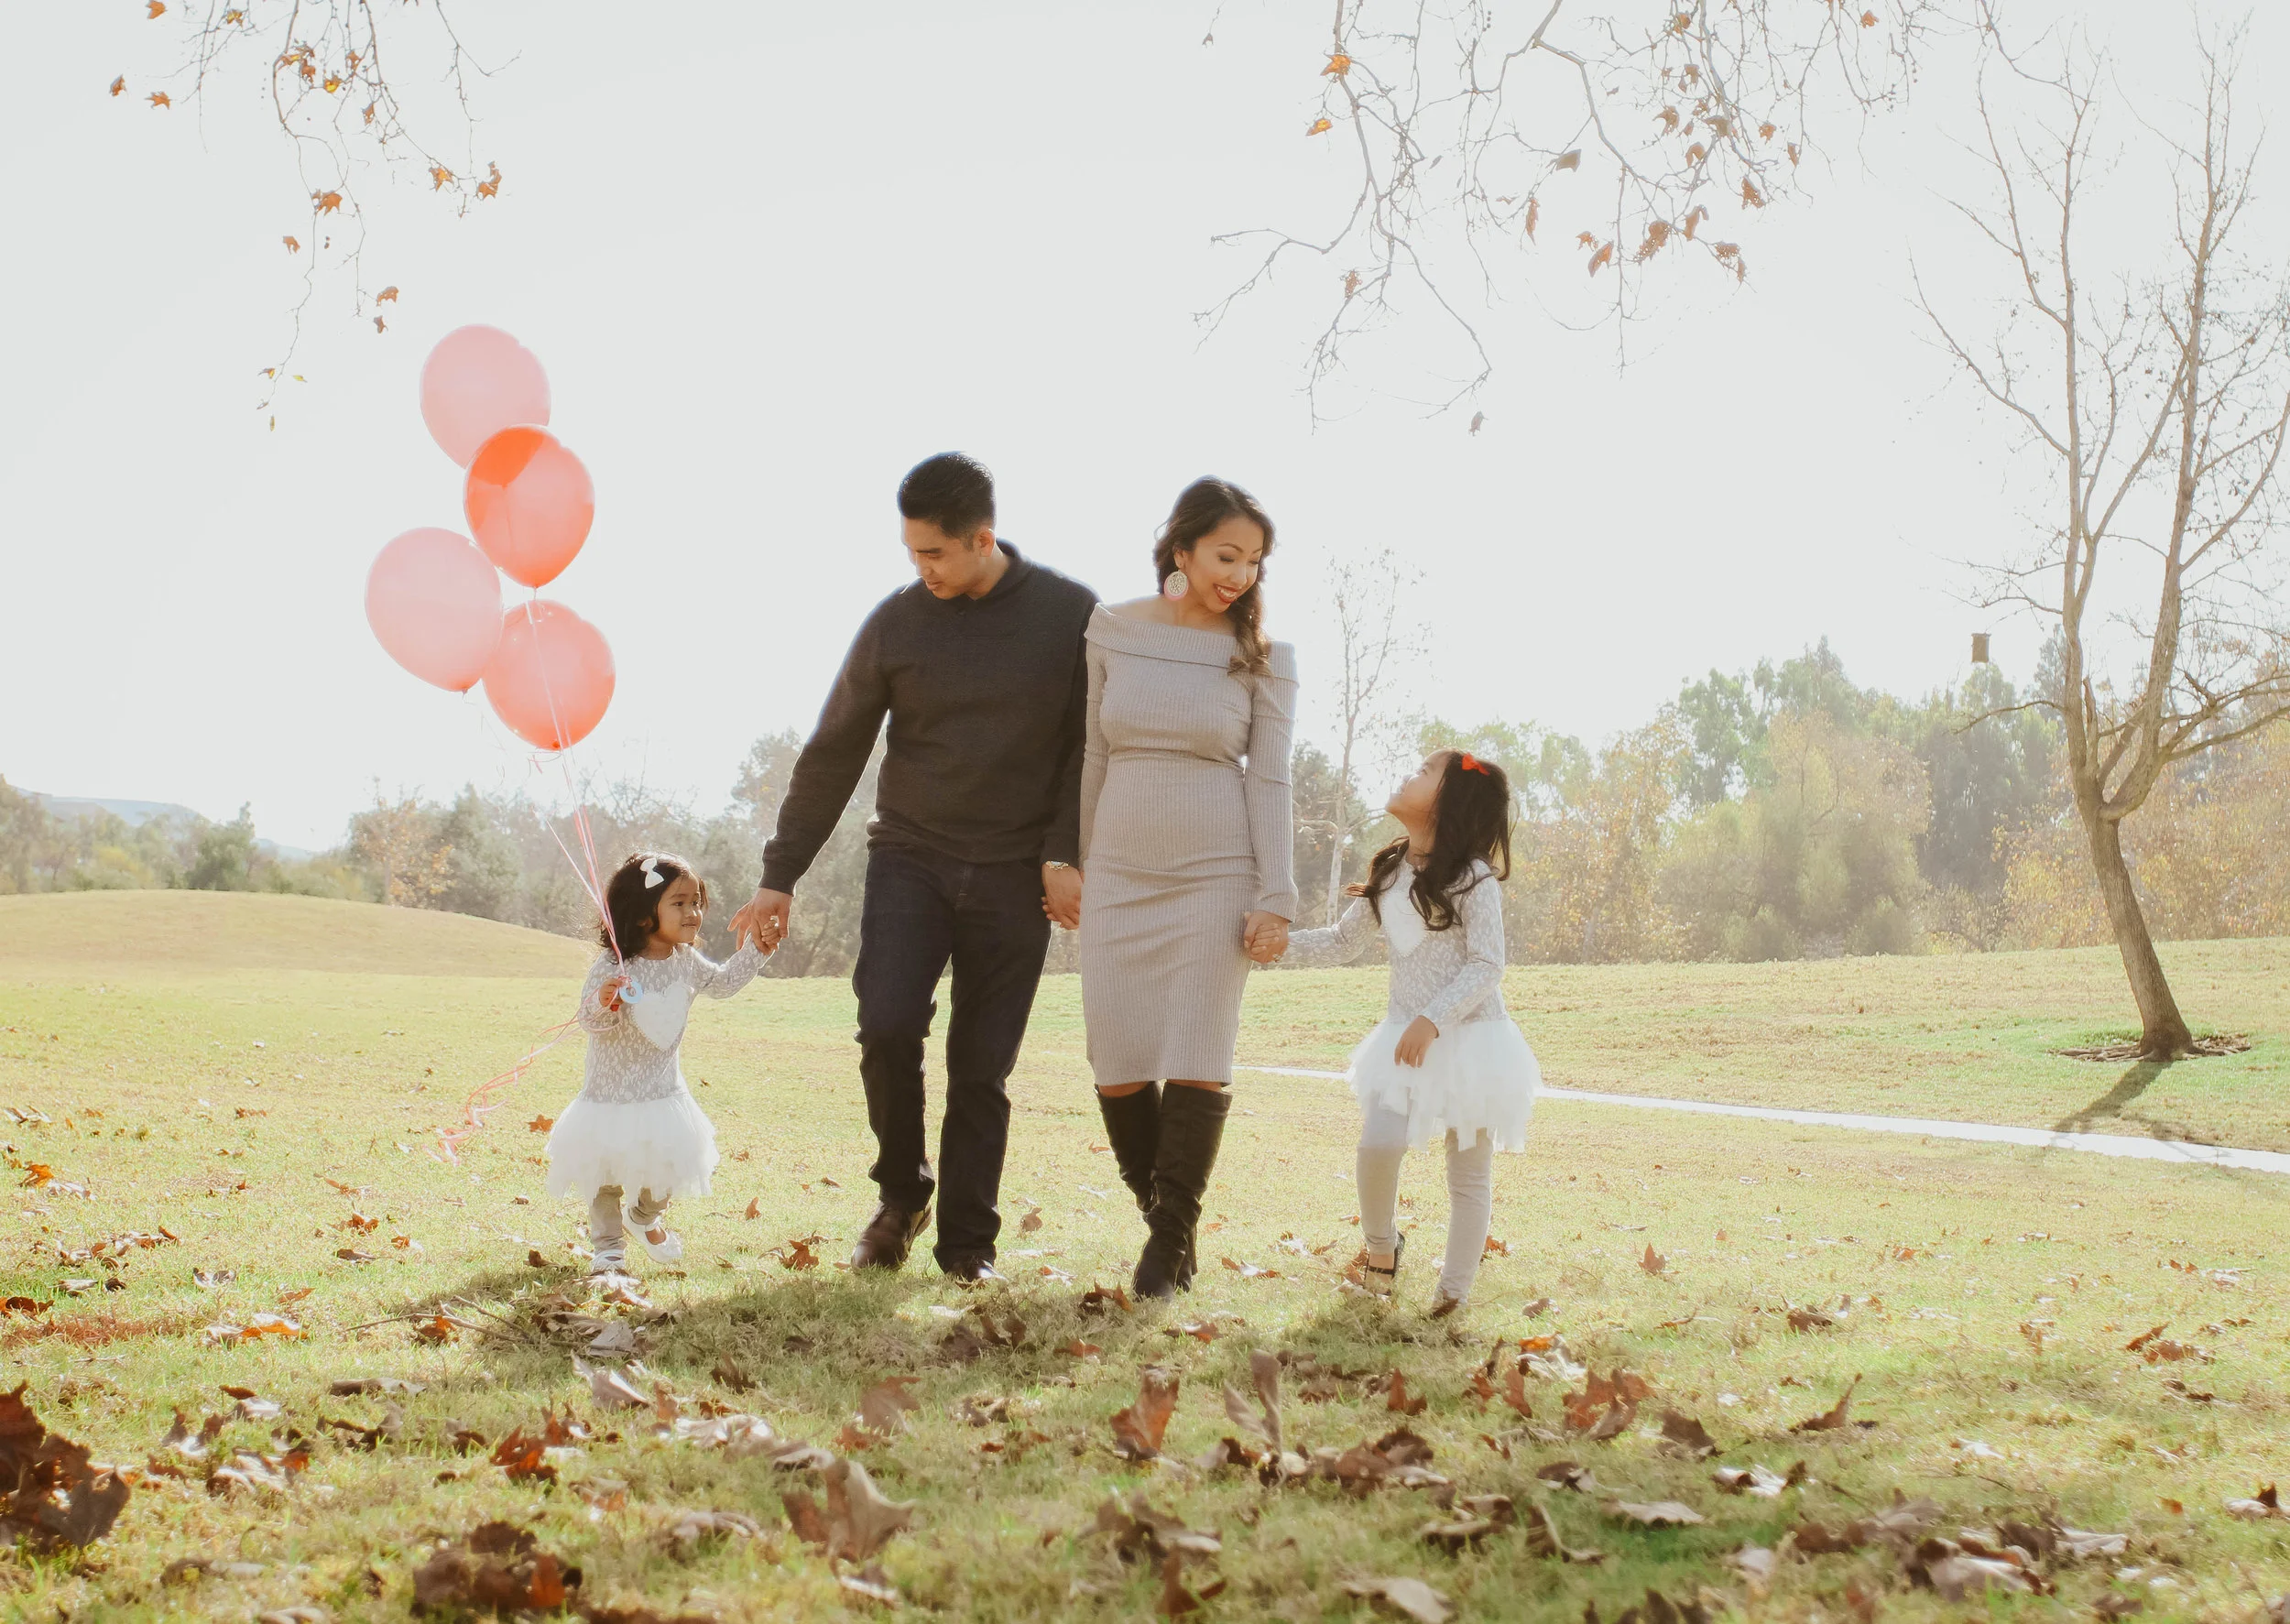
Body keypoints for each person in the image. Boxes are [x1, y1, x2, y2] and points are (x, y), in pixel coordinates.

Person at [729, 452, 1096, 1281]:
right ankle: (902, 1195)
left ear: (982, 539)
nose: (919, 569)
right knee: (887, 1022)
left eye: (933, 553)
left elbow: (1089, 746)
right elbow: (832, 753)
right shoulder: (897, 621)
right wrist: (778, 874)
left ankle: (968, 1245)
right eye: (910, 552)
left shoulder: (1071, 614)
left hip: (1014, 873)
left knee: (981, 1067)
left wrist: (1063, 851)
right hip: (911, 856)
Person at [1079, 476, 1297, 1300]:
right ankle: (1168, 1232)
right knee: (1118, 1061)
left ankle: (1164, 1249)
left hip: (1215, 873)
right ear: (1183, 550)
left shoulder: (1265, 661)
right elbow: (1092, 755)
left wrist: (1274, 894)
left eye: (1254, 562)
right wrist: (1073, 860)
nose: (1239, 575)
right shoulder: (1113, 630)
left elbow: (1270, 781)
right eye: (1226, 555)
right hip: (1119, 873)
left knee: (1199, 1056)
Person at [1281, 749, 1539, 1314]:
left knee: (1467, 1172)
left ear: (1448, 802)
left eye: (1425, 772)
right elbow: (1342, 943)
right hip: (1405, 1041)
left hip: (1472, 1040)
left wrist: (1433, 1019)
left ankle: (1452, 1293)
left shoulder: (1474, 879)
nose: (1407, 773)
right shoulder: (1392, 871)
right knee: (1379, 1144)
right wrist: (1281, 946)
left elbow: (1487, 963)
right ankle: (1382, 1249)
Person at [550, 852, 766, 1276]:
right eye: (680, 903)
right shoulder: (614, 965)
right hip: (609, 1094)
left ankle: (643, 1217)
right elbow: (589, 1022)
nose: (693, 912)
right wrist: (605, 1002)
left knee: (668, 1166)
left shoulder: (685, 960)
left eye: (697, 902)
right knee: (606, 1176)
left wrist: (757, 949)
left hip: (662, 1092)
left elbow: (722, 985)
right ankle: (607, 1248)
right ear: (645, 914)